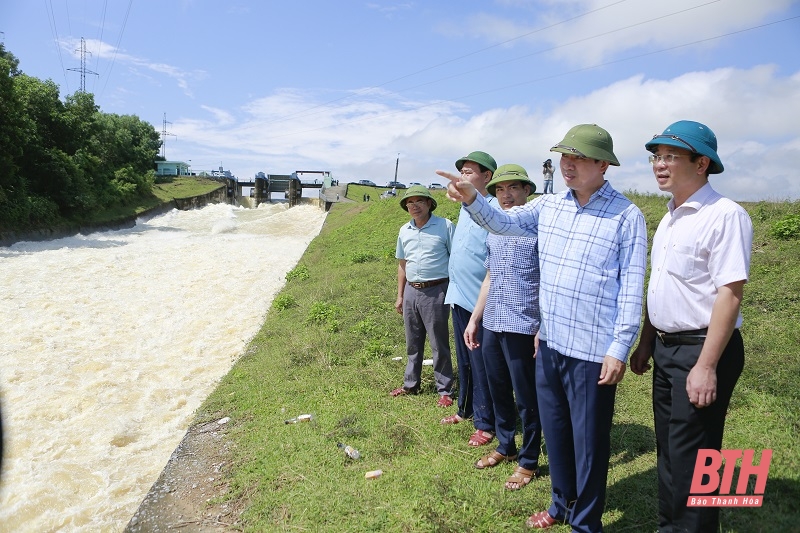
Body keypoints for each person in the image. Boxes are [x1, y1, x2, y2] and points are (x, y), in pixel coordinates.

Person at [440, 123, 647, 532]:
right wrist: (472, 199)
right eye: (563, 157)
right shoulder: (551, 207)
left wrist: (619, 347)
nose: (567, 164)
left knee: (588, 444)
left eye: (579, 157)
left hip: (592, 351)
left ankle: (584, 523)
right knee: (557, 434)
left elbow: (631, 286)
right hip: (550, 344)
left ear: (603, 164)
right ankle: (560, 505)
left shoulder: (626, 215)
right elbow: (503, 223)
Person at [630, 120, 753, 533]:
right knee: (669, 451)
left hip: (702, 350)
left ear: (702, 164)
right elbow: (663, 286)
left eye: (670, 156)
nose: (659, 165)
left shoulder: (725, 215)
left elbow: (729, 294)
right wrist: (648, 341)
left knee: (697, 459)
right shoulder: (669, 217)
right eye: (656, 156)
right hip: (667, 348)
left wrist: (705, 365)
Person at [463, 164, 543, 490]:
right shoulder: (495, 229)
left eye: (513, 188)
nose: (506, 195)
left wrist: (544, 325)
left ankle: (529, 460)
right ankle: (506, 446)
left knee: (527, 396)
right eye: (499, 189)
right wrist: (474, 318)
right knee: (498, 389)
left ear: (527, 191)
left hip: (524, 323)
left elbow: (550, 281)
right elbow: (489, 277)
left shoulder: (538, 228)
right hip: (493, 320)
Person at [441, 151, 499, 447]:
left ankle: (486, 423)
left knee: (481, 363)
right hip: (458, 295)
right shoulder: (465, 206)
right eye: (461, 173)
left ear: (487, 177)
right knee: (463, 361)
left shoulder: (492, 207)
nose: (462, 178)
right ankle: (465, 410)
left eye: (469, 172)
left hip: (481, 300)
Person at [392, 185, 456, 407]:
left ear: (429, 203)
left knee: (438, 341)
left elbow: (455, 259)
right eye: (410, 202)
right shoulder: (404, 231)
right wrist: (400, 295)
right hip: (411, 290)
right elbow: (402, 264)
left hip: (436, 290)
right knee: (413, 341)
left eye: (420, 201)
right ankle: (411, 384)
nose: (414, 205)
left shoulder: (445, 226)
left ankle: (445, 389)